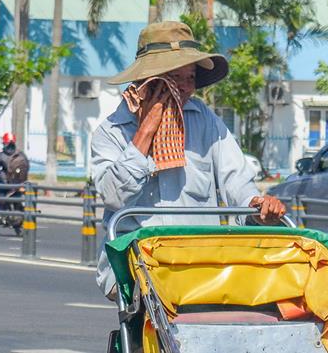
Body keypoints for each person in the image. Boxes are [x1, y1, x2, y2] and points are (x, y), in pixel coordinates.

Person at [91, 21, 287, 298]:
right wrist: (146, 130)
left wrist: (255, 204)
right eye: (174, 78)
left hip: (199, 261)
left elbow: (237, 181)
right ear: (148, 81)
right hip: (138, 265)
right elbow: (114, 197)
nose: (184, 88)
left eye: (190, 78)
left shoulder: (203, 119)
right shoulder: (111, 132)